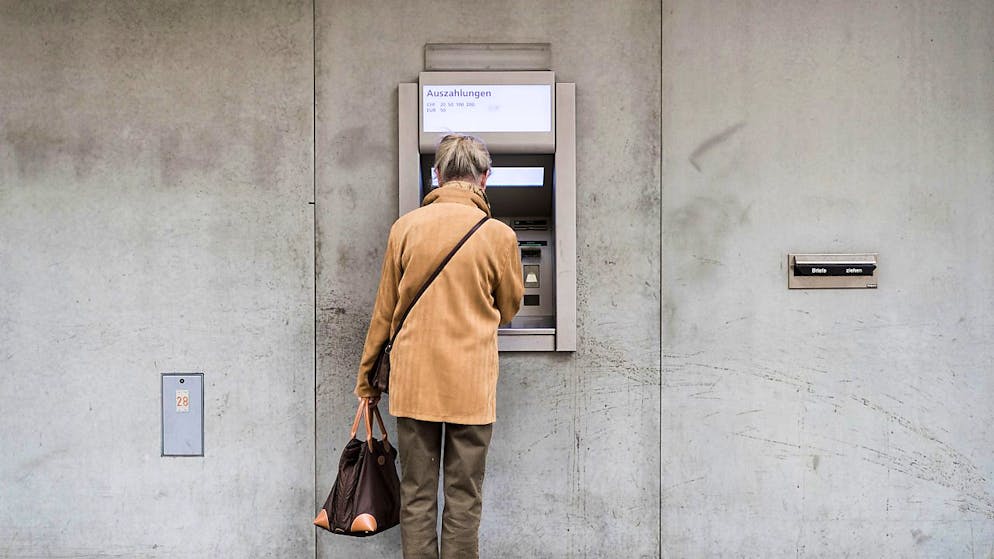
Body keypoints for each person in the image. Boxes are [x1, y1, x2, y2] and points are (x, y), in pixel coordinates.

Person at [354, 133, 524, 559]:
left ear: (436, 175)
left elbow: (384, 312)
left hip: (415, 386)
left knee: (417, 494)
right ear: (484, 179)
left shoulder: (406, 228)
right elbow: (508, 310)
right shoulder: (499, 236)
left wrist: (367, 380)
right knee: (464, 497)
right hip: (470, 387)